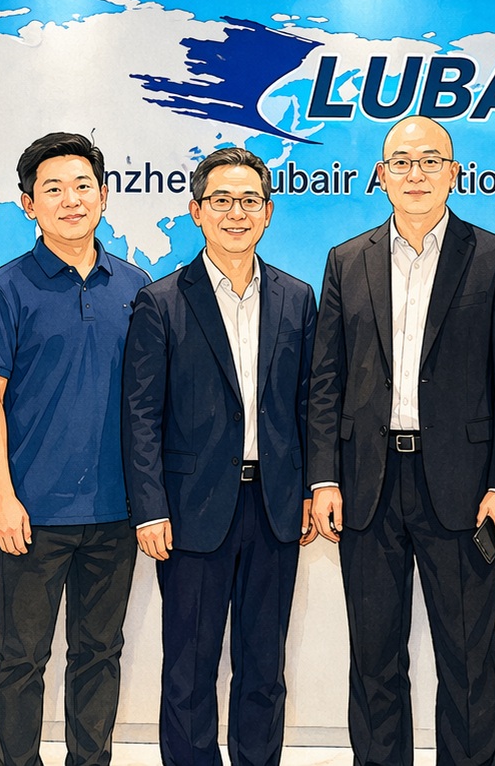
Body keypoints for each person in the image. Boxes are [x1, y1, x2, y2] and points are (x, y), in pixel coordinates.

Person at [307, 115, 495, 766]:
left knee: (467, 659)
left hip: (464, 493)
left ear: (454, 173)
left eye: (430, 161)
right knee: (373, 658)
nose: (415, 173)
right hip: (366, 487)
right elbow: (326, 379)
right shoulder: (346, 261)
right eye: (401, 162)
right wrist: (324, 478)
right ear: (380, 174)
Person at [122, 146, 317, 766]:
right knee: (188, 670)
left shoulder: (297, 297)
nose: (237, 213)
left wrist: (314, 488)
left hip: (275, 508)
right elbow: (141, 416)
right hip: (190, 510)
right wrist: (150, 509)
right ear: (196, 211)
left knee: (264, 668)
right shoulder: (161, 301)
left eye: (250, 201)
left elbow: (312, 405)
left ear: (268, 212)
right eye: (222, 201)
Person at [0, 131, 150, 766]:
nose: (70, 200)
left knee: (100, 653)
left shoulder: (135, 285)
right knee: (20, 657)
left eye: (82, 186)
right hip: (30, 513)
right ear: (27, 204)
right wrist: (2, 498)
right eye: (53, 190)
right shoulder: (6, 289)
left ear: (104, 195)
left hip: (116, 511)